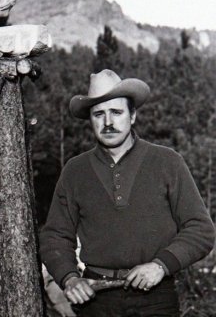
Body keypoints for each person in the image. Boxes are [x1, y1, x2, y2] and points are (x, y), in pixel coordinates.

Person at [40, 69, 215, 316]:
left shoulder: (167, 161)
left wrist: (160, 266)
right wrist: (69, 278)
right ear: (90, 119)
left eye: (116, 112)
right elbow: (55, 236)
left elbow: (201, 229)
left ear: (132, 116)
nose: (108, 122)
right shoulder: (75, 170)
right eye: (99, 114)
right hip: (95, 299)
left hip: (156, 298)